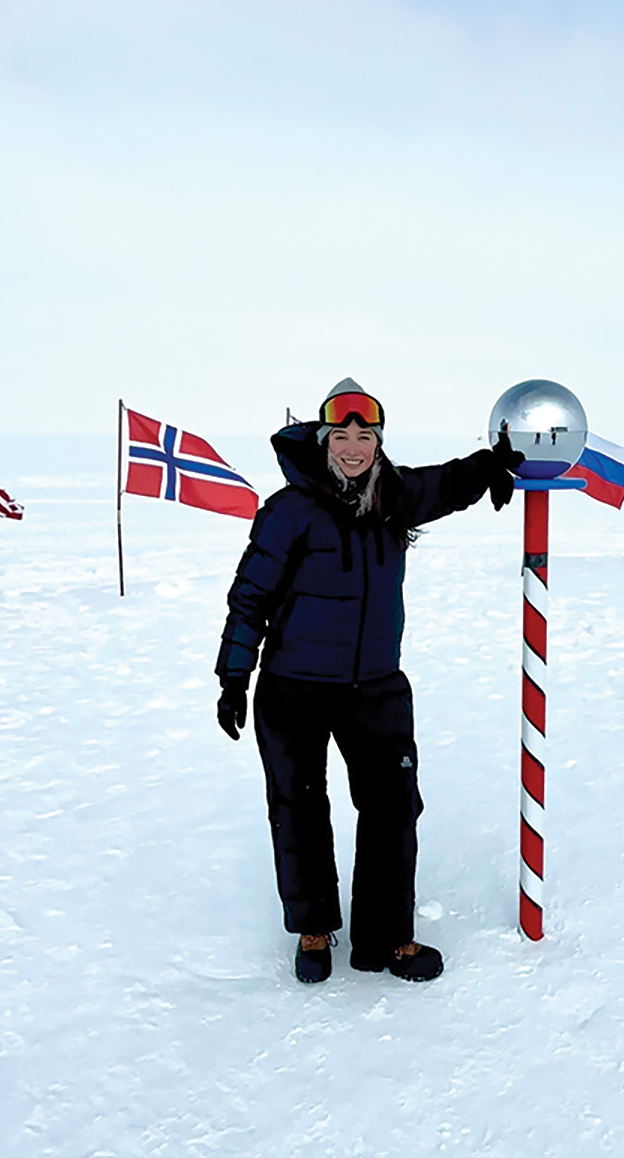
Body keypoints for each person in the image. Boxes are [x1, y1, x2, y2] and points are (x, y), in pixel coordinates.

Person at [214, 379, 524, 985]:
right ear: (324, 440)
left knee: (392, 809)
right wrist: (233, 676)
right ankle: (313, 927)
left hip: (376, 688)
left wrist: (491, 465)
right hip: (293, 689)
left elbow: (447, 482)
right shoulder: (289, 510)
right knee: (298, 809)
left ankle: (387, 938)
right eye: (342, 435)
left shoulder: (396, 495)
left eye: (365, 435)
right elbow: (250, 597)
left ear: (377, 442)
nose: (353, 446)